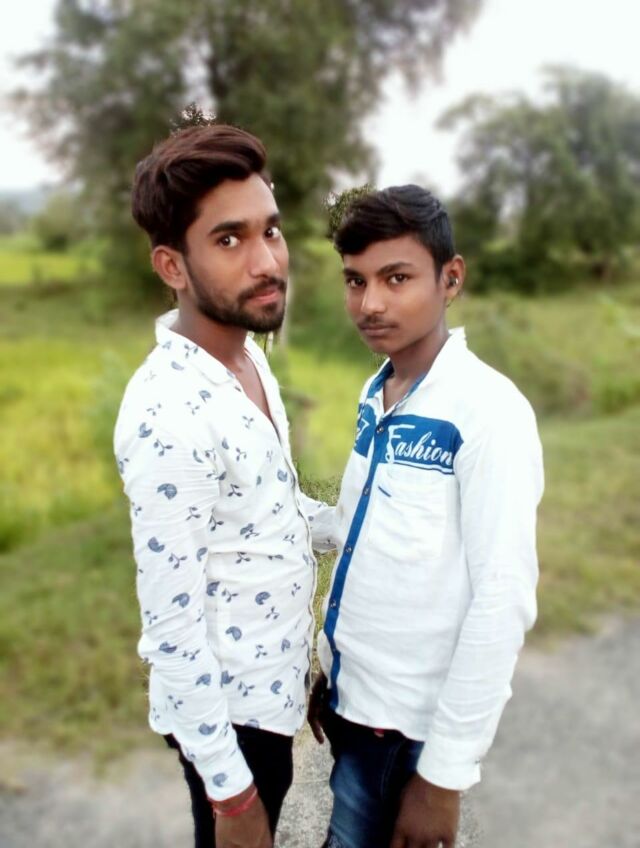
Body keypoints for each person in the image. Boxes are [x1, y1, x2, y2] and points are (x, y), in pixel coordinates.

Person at [114, 123, 333, 848]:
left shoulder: (245, 360)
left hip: (272, 690)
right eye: (229, 239)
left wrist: (361, 524)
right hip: (230, 720)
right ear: (172, 266)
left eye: (271, 230)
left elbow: (271, 509)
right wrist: (232, 797)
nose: (267, 261)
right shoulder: (168, 414)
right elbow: (172, 633)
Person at [308, 185, 544, 848]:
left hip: (406, 733)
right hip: (353, 703)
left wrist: (442, 779)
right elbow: (358, 527)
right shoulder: (380, 390)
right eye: (355, 280)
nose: (370, 304)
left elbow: (502, 597)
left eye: (396, 278)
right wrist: (330, 663)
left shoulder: (488, 412)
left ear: (451, 279)